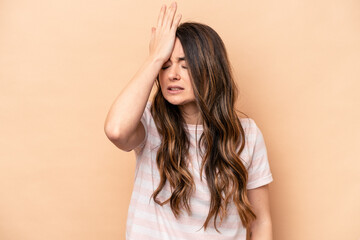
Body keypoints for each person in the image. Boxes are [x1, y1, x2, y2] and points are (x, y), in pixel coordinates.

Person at [104, 2, 273, 239]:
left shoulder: (247, 135)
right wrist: (154, 58)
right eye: (165, 65)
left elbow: (261, 221)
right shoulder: (150, 122)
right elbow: (116, 130)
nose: (172, 74)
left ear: (209, 69)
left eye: (185, 65)